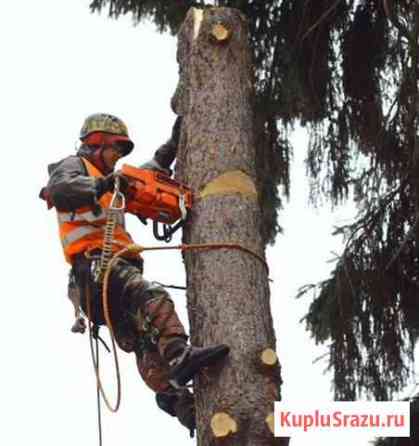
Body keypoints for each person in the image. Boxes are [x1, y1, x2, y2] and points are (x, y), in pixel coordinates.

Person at [40, 113, 229, 437]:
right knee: (152, 296)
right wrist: (102, 183)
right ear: (95, 143)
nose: (118, 157)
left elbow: (146, 176)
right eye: (115, 149)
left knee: (144, 341)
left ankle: (178, 402)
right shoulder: (74, 169)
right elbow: (60, 189)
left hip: (104, 279)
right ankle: (179, 354)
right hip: (96, 265)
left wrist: (172, 145)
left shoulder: (111, 180)